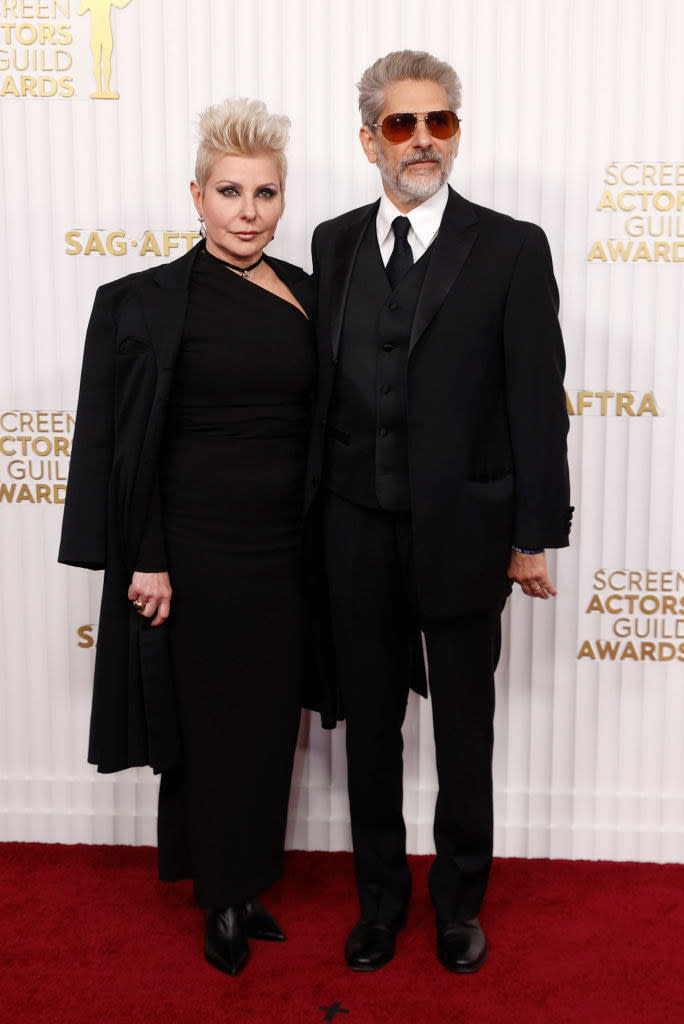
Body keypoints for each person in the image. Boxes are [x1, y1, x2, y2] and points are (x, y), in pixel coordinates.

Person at [305, 51, 572, 974]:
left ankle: (458, 903)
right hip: (352, 525)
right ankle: (379, 902)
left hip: (465, 530)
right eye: (402, 124)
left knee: (464, 731)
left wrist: (532, 534)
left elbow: (539, 398)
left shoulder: (510, 246)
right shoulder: (333, 242)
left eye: (441, 121)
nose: (423, 140)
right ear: (369, 138)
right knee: (369, 732)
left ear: (457, 130)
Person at [58, 98, 317, 976]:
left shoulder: (313, 296)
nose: (249, 211)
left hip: (288, 550)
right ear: (197, 195)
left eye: (266, 193)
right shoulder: (141, 303)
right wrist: (148, 554)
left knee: (268, 724)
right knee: (205, 727)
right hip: (194, 552)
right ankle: (218, 899)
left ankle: (248, 883)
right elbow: (124, 445)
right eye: (230, 191)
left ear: (284, 201)